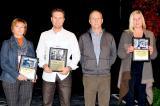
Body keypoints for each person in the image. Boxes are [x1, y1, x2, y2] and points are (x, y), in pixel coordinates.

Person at [36, 8, 80, 106]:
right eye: (55, 18)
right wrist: (44, 65)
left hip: (65, 74)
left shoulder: (71, 35)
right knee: (46, 102)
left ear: (64, 19)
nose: (57, 20)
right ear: (51, 19)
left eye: (60, 18)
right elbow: (39, 52)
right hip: (48, 73)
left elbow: (77, 54)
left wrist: (69, 67)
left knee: (66, 103)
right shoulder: (44, 35)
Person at [117, 10, 157, 106]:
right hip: (129, 71)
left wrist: (152, 51)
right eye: (134, 19)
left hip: (144, 71)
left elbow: (155, 56)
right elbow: (120, 54)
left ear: (142, 20)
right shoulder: (126, 34)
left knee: (143, 98)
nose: (137, 21)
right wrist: (127, 51)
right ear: (131, 21)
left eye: (139, 19)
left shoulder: (150, 34)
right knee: (129, 98)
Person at [79, 10, 117, 106]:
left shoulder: (110, 37)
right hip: (88, 76)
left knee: (104, 104)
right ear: (89, 21)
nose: (96, 21)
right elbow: (79, 55)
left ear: (102, 20)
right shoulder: (83, 37)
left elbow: (114, 54)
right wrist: (86, 66)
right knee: (89, 104)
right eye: (93, 18)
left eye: (98, 18)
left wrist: (107, 65)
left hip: (105, 76)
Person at [0, 18, 36, 106]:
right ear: (12, 28)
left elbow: (33, 61)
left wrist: (34, 74)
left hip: (27, 78)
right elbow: (3, 63)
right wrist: (17, 75)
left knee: (25, 103)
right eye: (17, 26)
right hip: (10, 78)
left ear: (25, 29)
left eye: (22, 27)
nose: (20, 29)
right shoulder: (6, 43)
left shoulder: (30, 44)